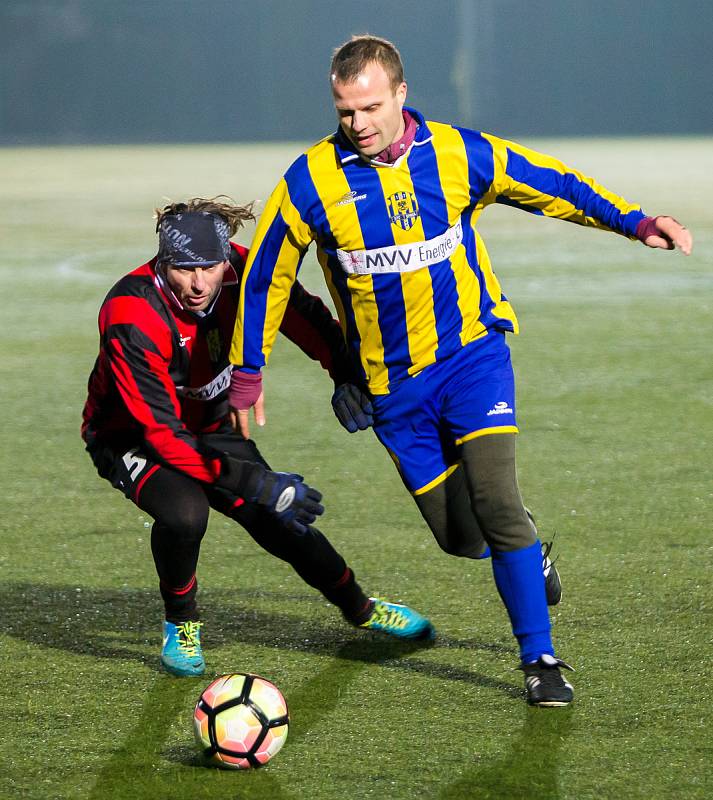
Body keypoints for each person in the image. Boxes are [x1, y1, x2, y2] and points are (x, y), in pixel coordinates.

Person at [227, 35, 693, 707]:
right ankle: (529, 560)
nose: (356, 123)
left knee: (498, 504)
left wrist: (634, 221)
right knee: (460, 537)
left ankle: (539, 658)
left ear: (400, 95)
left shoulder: (456, 153)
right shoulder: (311, 181)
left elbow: (549, 184)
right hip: (393, 390)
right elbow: (269, 273)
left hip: (473, 357)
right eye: (343, 110)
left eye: (368, 107)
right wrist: (249, 371)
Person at [81, 197, 435, 678]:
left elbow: (307, 316)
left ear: (226, 258)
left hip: (207, 427)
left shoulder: (246, 273)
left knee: (282, 520)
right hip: (129, 437)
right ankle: (181, 623)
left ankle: (361, 608)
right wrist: (255, 482)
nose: (199, 283)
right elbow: (162, 434)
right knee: (186, 514)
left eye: (210, 266)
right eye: (184, 269)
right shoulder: (131, 313)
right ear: (163, 262)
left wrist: (343, 373)